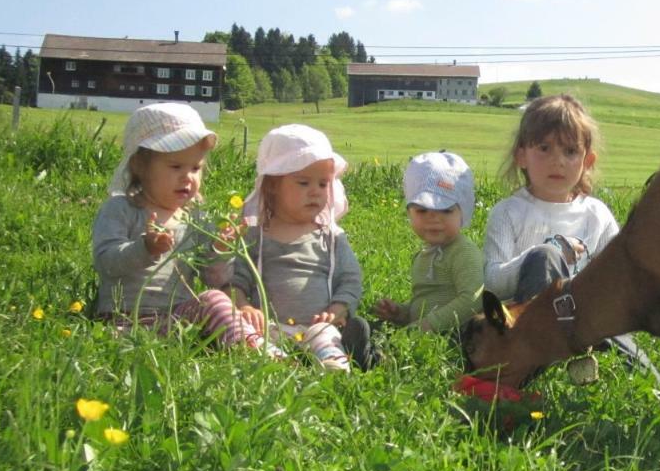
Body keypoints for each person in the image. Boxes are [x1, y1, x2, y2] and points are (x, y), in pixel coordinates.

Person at [483, 94, 658, 379]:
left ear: (587, 160)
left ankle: (642, 387)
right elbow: (492, 282)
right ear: (521, 155)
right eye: (544, 148)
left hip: (588, 323)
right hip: (529, 323)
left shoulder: (596, 214)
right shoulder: (508, 213)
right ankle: (537, 368)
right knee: (545, 257)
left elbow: (620, 278)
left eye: (570, 151)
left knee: (645, 377)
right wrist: (546, 252)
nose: (558, 162)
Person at [92, 102, 276, 354]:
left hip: (178, 320)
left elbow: (214, 279)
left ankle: (259, 351)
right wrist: (145, 248)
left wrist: (220, 250)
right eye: (176, 166)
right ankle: (250, 347)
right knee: (116, 339)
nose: (188, 177)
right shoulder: (121, 208)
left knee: (214, 299)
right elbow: (106, 262)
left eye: (196, 168)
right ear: (139, 167)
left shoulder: (194, 219)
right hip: (124, 320)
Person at [229, 125, 374, 372]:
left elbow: (350, 279)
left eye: (323, 183)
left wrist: (338, 309)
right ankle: (276, 360)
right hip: (269, 325)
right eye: (304, 183)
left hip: (317, 323)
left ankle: (333, 360)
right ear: (273, 185)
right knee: (248, 333)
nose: (315, 192)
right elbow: (236, 279)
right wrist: (244, 305)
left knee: (325, 335)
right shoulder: (256, 235)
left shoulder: (331, 237)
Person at [374, 151, 484, 334]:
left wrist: (427, 326)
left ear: (463, 211)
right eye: (422, 211)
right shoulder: (423, 256)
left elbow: (473, 300)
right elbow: (426, 304)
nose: (433, 219)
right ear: (409, 212)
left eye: (446, 210)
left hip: (457, 336)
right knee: (371, 330)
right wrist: (401, 313)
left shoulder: (463, 251)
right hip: (425, 334)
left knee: (380, 344)